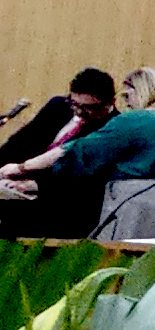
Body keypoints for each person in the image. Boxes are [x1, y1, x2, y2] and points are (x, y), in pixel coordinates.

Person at [0, 68, 155, 242]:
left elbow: (76, 151)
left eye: (127, 96)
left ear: (140, 91)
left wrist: (21, 168)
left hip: (132, 204)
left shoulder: (134, 120)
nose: (127, 103)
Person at [0, 69, 116, 240]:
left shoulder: (113, 128)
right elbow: (20, 142)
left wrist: (35, 184)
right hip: (17, 187)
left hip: (58, 205)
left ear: (109, 103)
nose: (79, 112)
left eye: (88, 107)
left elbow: (87, 179)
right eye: (75, 104)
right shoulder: (59, 106)